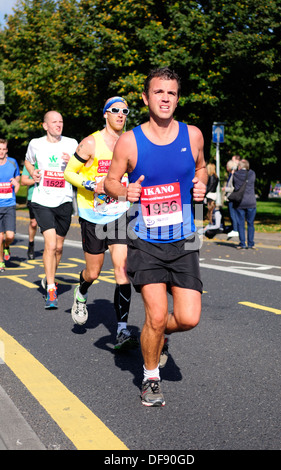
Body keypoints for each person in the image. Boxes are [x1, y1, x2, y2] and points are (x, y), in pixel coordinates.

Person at [104, 67, 208, 407]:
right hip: (146, 241)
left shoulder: (192, 135)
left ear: (177, 99)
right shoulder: (130, 140)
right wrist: (126, 190)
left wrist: (203, 182)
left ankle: (158, 335)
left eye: (172, 93)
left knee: (189, 317)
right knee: (156, 313)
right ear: (147, 98)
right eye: (159, 92)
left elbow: (203, 167)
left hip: (185, 239)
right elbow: (110, 182)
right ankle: (150, 379)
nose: (165, 98)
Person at [64, 97, 138, 351]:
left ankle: (121, 329)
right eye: (115, 110)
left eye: (125, 111)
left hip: (119, 213)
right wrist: (89, 184)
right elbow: (69, 172)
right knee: (93, 272)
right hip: (93, 215)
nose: (121, 114)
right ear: (105, 114)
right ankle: (82, 292)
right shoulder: (90, 142)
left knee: (122, 270)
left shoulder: (130, 142)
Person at [25, 111, 78, 308]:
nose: (59, 125)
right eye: (54, 122)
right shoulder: (35, 143)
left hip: (64, 200)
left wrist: (72, 161)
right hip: (42, 200)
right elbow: (28, 161)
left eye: (61, 122)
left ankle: (50, 277)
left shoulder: (72, 143)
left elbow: (86, 165)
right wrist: (33, 172)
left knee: (59, 247)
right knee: (50, 244)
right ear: (45, 125)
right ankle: (50, 289)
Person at [0, 138, 20, 272]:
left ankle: (6, 246)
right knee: (0, 236)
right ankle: (1, 261)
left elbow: (17, 178)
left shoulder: (12, 162)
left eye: (3, 149)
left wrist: (16, 183)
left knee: (10, 236)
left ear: (6, 150)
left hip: (9, 204)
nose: (1, 152)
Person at [233, 159, 256, 249]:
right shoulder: (252, 173)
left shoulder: (236, 175)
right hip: (251, 201)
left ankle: (242, 243)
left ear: (239, 166)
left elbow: (235, 186)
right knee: (250, 223)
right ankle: (250, 243)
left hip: (240, 202)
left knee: (240, 223)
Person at [21, 165, 38, 259]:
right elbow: (23, 181)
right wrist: (36, 181)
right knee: (33, 223)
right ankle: (31, 244)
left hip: (48, 197)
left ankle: (50, 248)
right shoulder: (29, 164)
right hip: (33, 197)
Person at [223, 159, 239, 239]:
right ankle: (235, 228)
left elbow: (232, 188)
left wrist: (225, 189)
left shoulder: (233, 175)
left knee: (233, 214)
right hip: (232, 198)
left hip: (232, 197)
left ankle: (235, 230)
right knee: (233, 214)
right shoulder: (233, 174)